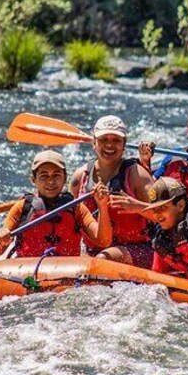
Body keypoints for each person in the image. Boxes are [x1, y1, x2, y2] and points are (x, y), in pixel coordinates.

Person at [69, 115, 156, 268]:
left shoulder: (137, 175)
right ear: (94, 143)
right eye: (104, 140)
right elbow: (69, 222)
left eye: (116, 140)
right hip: (92, 250)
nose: (110, 145)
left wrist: (137, 207)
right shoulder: (79, 178)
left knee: (103, 259)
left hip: (139, 249)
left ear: (124, 145)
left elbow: (166, 215)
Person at [0, 150, 112, 258]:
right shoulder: (22, 207)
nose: (51, 181)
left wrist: (102, 206)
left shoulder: (76, 208)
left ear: (65, 178)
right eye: (44, 176)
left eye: (56, 175)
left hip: (68, 272)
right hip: (27, 275)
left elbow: (104, 241)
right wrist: (2, 238)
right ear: (33, 179)